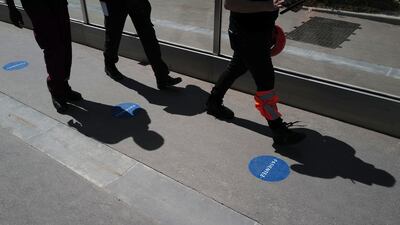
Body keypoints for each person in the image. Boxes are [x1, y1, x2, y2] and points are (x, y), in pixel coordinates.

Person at [206, 0, 305, 145]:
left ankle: (213, 102)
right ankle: (278, 129)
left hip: (258, 33)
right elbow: (230, 4)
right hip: (247, 34)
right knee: (265, 81)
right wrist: (270, 5)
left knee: (237, 67)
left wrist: (292, 4)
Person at [5, 0, 83, 113]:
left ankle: (63, 85)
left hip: (57, 3)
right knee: (52, 46)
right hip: (36, 5)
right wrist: (11, 8)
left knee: (65, 44)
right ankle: (56, 89)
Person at [99, 0, 182, 89]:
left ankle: (162, 76)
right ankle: (109, 65)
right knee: (113, 34)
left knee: (148, 35)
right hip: (113, 2)